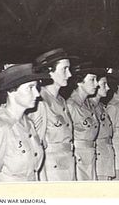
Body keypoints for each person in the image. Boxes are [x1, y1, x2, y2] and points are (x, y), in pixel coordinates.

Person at [0, 64, 48, 182]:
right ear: (11, 91)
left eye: (36, 87)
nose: (37, 94)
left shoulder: (29, 123)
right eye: (30, 87)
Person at [29, 48, 76, 181]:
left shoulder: (61, 100)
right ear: (50, 71)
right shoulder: (40, 103)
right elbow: (36, 147)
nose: (70, 74)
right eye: (64, 69)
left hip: (67, 165)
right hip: (51, 172)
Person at [66, 62, 100, 181]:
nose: (96, 84)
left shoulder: (88, 105)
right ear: (80, 82)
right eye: (92, 80)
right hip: (79, 158)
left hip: (89, 156)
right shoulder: (71, 106)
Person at [88, 70, 116, 180]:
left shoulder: (100, 106)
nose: (108, 88)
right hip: (99, 156)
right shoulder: (90, 108)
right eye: (104, 84)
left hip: (106, 153)